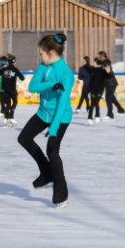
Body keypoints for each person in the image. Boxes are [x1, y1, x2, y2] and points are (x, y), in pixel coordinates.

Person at [17, 33, 75, 208]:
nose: (40, 56)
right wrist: (50, 84)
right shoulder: (43, 66)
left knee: (52, 151)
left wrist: (54, 128)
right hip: (43, 113)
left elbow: (62, 103)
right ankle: (46, 172)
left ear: (50, 53)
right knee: (24, 138)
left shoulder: (66, 74)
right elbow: (33, 86)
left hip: (61, 116)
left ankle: (61, 193)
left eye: (41, 53)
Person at [0, 54, 24, 128]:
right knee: (15, 102)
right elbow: (22, 78)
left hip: (5, 90)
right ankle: (10, 116)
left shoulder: (4, 69)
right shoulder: (15, 69)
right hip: (12, 90)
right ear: (14, 62)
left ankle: (5, 120)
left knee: (7, 105)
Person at [84, 55, 108, 124]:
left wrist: (107, 67)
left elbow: (108, 76)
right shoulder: (92, 69)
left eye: (94, 62)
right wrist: (86, 60)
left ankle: (97, 115)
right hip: (93, 89)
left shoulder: (103, 71)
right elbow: (86, 67)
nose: (93, 63)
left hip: (100, 89)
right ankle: (90, 117)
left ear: (97, 63)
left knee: (96, 103)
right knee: (92, 104)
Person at [100, 51, 125, 117]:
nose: (100, 58)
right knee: (111, 98)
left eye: (100, 56)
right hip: (109, 83)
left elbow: (108, 71)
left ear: (103, 56)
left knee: (108, 98)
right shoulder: (104, 63)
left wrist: (105, 67)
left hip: (111, 83)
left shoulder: (106, 62)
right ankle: (121, 109)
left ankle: (110, 114)